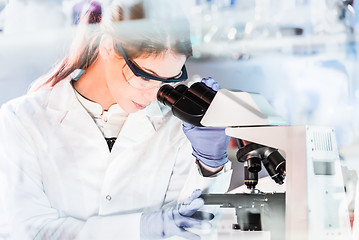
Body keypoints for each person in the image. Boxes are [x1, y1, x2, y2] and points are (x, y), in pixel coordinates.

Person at [0, 1, 231, 239]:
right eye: (145, 78)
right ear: (109, 47)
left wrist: (210, 165)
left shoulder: (177, 127)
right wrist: (141, 228)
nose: (154, 95)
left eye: (166, 82)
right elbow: (31, 230)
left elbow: (194, 228)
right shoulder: (21, 120)